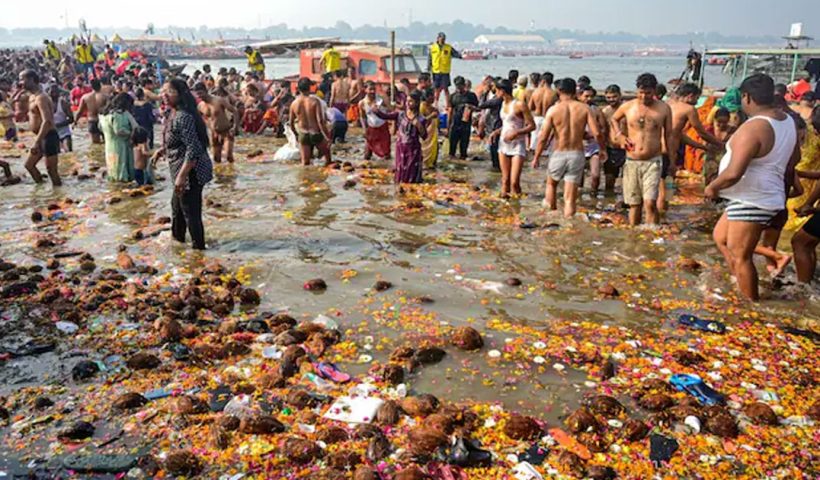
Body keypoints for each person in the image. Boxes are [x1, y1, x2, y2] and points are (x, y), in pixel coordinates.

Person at [706, 74, 800, 301]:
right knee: (720, 237)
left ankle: (751, 304)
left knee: (741, 255)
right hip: (761, 195)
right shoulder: (786, 120)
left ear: (747, 97)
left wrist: (712, 187)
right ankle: (739, 280)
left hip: (753, 198)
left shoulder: (754, 127)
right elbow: (795, 157)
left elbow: (734, 173)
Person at [152, 78, 213, 250]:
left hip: (190, 172)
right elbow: (177, 139)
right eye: (163, 91)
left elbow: (193, 149)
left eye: (169, 91)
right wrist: (162, 150)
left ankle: (199, 251)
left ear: (181, 94)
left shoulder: (184, 116)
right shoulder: (174, 113)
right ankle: (177, 244)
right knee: (177, 209)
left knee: (191, 213)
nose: (164, 95)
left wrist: (181, 177)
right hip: (182, 170)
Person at [534, 78, 606, 217]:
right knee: (570, 199)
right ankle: (569, 226)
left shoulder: (554, 110)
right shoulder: (584, 108)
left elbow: (543, 137)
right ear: (575, 91)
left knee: (551, 185)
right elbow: (597, 133)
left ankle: (551, 218)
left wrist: (536, 157)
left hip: (559, 152)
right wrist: (602, 149)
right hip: (577, 153)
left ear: (559, 91)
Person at [610, 73, 674, 226]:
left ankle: (652, 234)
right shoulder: (628, 106)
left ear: (654, 92)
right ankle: (634, 237)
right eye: (641, 92)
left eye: (648, 93)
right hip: (632, 160)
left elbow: (669, 136)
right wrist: (620, 136)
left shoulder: (664, 109)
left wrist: (672, 162)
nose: (644, 96)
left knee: (650, 202)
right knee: (634, 204)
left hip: (653, 161)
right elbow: (613, 119)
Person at [373, 90, 427, 185]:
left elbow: (424, 136)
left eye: (411, 101)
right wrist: (376, 111)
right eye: (407, 101)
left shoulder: (421, 118)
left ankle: (412, 190)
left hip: (413, 149)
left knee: (412, 170)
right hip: (401, 147)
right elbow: (385, 116)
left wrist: (419, 126)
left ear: (417, 103)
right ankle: (399, 189)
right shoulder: (400, 115)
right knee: (401, 168)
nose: (407, 103)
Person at [495, 79, 534, 199]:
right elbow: (507, 124)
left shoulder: (519, 105)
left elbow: (532, 126)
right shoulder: (502, 104)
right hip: (503, 144)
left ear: (502, 91)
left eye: (496, 91)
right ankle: (503, 209)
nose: (495, 93)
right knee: (505, 180)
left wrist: (517, 132)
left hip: (518, 145)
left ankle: (518, 206)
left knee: (514, 182)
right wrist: (496, 132)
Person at [20, 70, 61, 186]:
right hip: (40, 136)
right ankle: (42, 191)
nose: (20, 83)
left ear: (32, 79)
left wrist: (36, 142)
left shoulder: (41, 98)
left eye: (23, 79)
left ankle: (59, 195)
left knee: (51, 171)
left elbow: (47, 121)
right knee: (29, 165)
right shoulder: (31, 97)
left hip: (49, 137)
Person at [289, 77, 331, 166]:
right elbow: (320, 121)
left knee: (305, 163)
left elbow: (291, 123)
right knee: (328, 160)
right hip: (315, 133)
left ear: (298, 89)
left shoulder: (294, 103)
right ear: (309, 87)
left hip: (303, 134)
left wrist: (296, 135)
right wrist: (327, 137)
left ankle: (305, 179)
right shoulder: (315, 101)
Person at [193, 82, 239, 164]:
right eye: (197, 94)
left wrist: (235, 127)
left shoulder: (219, 100)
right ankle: (220, 176)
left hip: (226, 132)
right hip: (214, 134)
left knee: (229, 156)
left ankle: (233, 174)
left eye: (201, 93)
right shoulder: (200, 106)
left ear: (206, 91)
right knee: (216, 159)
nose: (199, 96)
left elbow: (234, 111)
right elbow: (197, 121)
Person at [99, 93, 135, 182]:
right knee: (122, 166)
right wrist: (131, 133)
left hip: (109, 146)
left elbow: (100, 127)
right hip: (121, 145)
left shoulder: (104, 114)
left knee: (113, 167)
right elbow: (119, 131)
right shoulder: (118, 115)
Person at [579, 86, 608, 195]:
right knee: (579, 176)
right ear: (580, 96)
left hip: (594, 147)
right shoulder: (577, 109)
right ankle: (579, 197)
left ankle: (593, 194)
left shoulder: (596, 110)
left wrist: (594, 136)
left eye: (591, 96)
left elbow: (603, 128)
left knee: (595, 175)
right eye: (586, 96)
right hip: (580, 146)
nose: (589, 99)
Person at [601, 84, 626, 192]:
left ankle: (627, 203)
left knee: (628, 179)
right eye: (608, 97)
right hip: (611, 148)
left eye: (614, 97)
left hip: (626, 148)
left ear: (620, 95)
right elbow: (603, 131)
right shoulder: (605, 111)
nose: (611, 100)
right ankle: (609, 201)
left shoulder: (627, 109)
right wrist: (602, 149)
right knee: (609, 180)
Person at [428, 32, 461, 108]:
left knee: (446, 89)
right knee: (436, 89)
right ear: (438, 38)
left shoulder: (448, 47)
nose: (442, 40)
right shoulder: (433, 47)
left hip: (445, 71)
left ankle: (448, 104)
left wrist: (460, 56)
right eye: (441, 38)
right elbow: (430, 59)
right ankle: (435, 104)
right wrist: (429, 68)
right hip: (435, 71)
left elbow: (455, 54)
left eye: (444, 39)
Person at [447, 76, 477, 160]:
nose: (459, 88)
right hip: (455, 123)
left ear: (464, 85)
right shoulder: (453, 96)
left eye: (460, 86)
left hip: (466, 124)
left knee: (463, 150)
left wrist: (471, 107)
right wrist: (448, 126)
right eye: (457, 86)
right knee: (452, 150)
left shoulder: (471, 96)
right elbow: (450, 111)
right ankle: (453, 167)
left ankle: (463, 164)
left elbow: (478, 108)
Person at [359, 81, 391, 160]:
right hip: (371, 128)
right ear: (365, 90)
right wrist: (364, 129)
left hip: (383, 128)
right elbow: (362, 117)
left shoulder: (382, 99)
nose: (372, 91)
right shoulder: (362, 103)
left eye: (374, 89)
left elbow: (391, 110)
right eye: (370, 89)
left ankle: (388, 168)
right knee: (367, 155)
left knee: (386, 152)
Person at [477, 79, 503, 172]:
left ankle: (496, 169)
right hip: (500, 126)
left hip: (495, 127)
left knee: (494, 151)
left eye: (493, 86)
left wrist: (485, 92)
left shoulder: (497, 100)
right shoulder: (502, 99)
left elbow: (480, 105)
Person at [528, 72, 556, 153]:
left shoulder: (536, 92)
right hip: (548, 118)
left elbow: (530, 107)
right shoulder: (554, 93)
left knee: (534, 143)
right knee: (546, 143)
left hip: (537, 118)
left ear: (543, 81)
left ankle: (534, 157)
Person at [75, 79, 109, 144]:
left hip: (92, 121)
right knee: (107, 142)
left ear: (91, 87)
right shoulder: (105, 97)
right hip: (103, 120)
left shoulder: (85, 97)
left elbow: (79, 112)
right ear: (100, 85)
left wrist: (75, 121)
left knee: (95, 145)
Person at [49, 85, 73, 152]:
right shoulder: (46, 104)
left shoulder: (63, 103)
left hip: (65, 133)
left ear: (58, 93)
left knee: (68, 152)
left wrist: (59, 125)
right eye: (51, 91)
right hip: (52, 134)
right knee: (57, 155)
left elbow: (71, 119)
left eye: (55, 91)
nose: (53, 93)